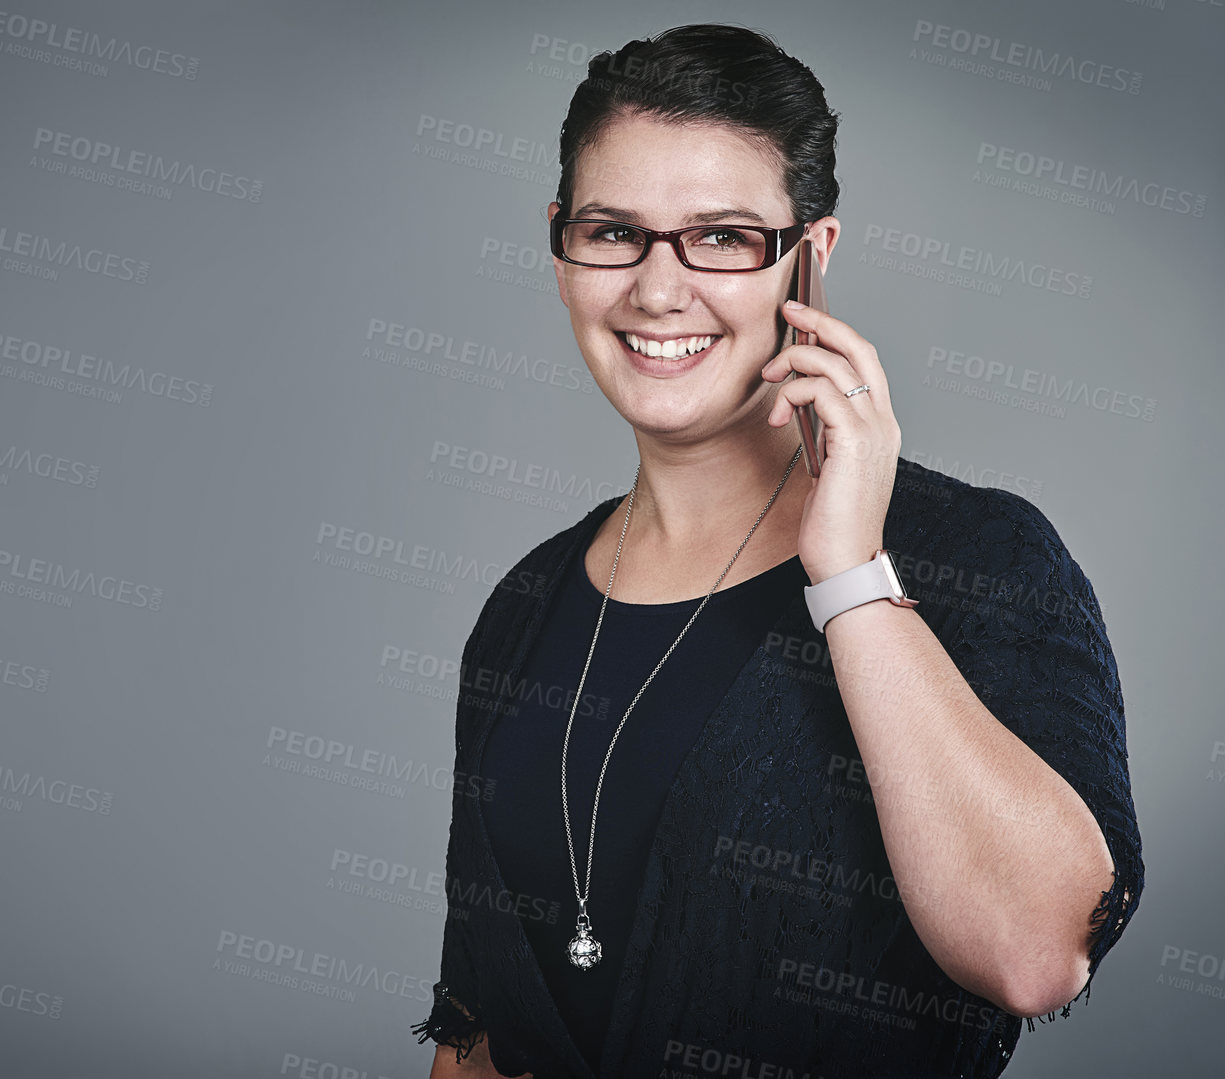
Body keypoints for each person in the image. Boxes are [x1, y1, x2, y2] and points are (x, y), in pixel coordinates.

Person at [413, 24, 1141, 1079]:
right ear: (560, 244)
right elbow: (481, 1027)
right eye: (614, 230)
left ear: (811, 254)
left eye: (721, 237)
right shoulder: (526, 599)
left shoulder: (976, 555)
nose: (658, 291)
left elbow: (1034, 956)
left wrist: (848, 571)